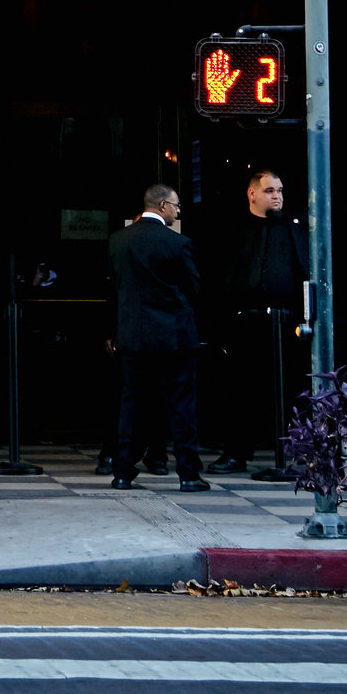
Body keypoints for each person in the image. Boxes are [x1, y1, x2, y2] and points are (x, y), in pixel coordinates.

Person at [106, 183, 208, 492]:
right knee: (180, 405)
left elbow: (114, 290)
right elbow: (194, 289)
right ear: (162, 206)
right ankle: (188, 474)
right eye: (176, 206)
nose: (178, 212)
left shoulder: (118, 241)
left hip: (133, 335)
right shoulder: (178, 244)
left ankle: (122, 471)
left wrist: (113, 331)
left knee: (131, 404)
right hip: (173, 337)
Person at [211, 169, 308, 478]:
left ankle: (298, 452)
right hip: (247, 321)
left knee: (293, 389)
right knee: (241, 389)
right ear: (252, 194)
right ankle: (236, 453)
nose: (276, 195)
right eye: (269, 190)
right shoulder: (236, 229)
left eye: (279, 189)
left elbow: (305, 270)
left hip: (287, 321)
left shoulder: (295, 228)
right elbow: (224, 277)